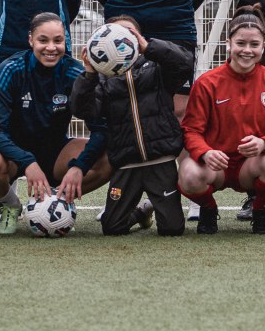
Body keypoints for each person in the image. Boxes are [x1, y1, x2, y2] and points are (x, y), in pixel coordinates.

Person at [0, 14, 112, 236]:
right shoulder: (11, 69)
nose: (51, 48)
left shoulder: (74, 73)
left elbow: (101, 129)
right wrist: (28, 162)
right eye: (43, 40)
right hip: (13, 154)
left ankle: (55, 202)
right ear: (31, 41)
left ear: (65, 41)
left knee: (108, 156)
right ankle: (11, 205)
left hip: (57, 152)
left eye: (58, 41)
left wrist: (79, 166)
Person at [71, 15, 194, 237]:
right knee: (112, 227)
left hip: (161, 159)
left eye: (129, 33)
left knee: (172, 229)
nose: (121, 39)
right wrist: (89, 73)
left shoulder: (156, 68)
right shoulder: (102, 78)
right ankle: (141, 212)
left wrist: (151, 47)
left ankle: (153, 206)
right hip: (126, 162)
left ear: (137, 38)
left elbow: (185, 62)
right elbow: (83, 109)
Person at [178, 8, 265, 235]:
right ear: (228, 43)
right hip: (215, 165)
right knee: (188, 173)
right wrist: (205, 153)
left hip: (250, 165)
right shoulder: (207, 83)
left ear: (264, 46)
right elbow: (191, 130)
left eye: (254, 44)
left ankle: (260, 210)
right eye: (241, 43)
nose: (247, 50)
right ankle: (208, 210)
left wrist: (264, 143)